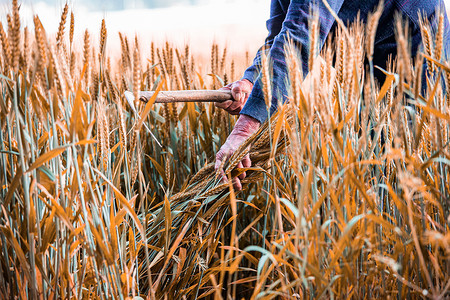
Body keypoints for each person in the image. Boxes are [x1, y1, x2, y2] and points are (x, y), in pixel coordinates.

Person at [214, 0, 450, 191]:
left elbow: (302, 34)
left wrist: (245, 129)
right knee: (374, 165)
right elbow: (279, 34)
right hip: (366, 55)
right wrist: (250, 80)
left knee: (412, 165)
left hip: (417, 44)